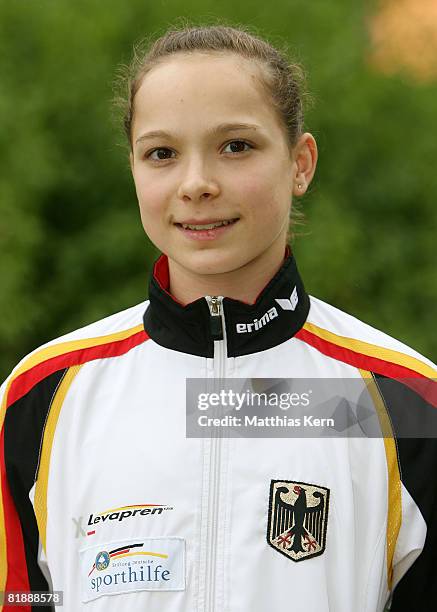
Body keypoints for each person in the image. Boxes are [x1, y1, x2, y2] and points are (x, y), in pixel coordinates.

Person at [0, 23, 436, 612]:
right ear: (133, 168)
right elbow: (22, 596)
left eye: (236, 146)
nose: (197, 183)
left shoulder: (404, 400)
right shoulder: (43, 394)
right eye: (162, 153)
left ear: (300, 163)